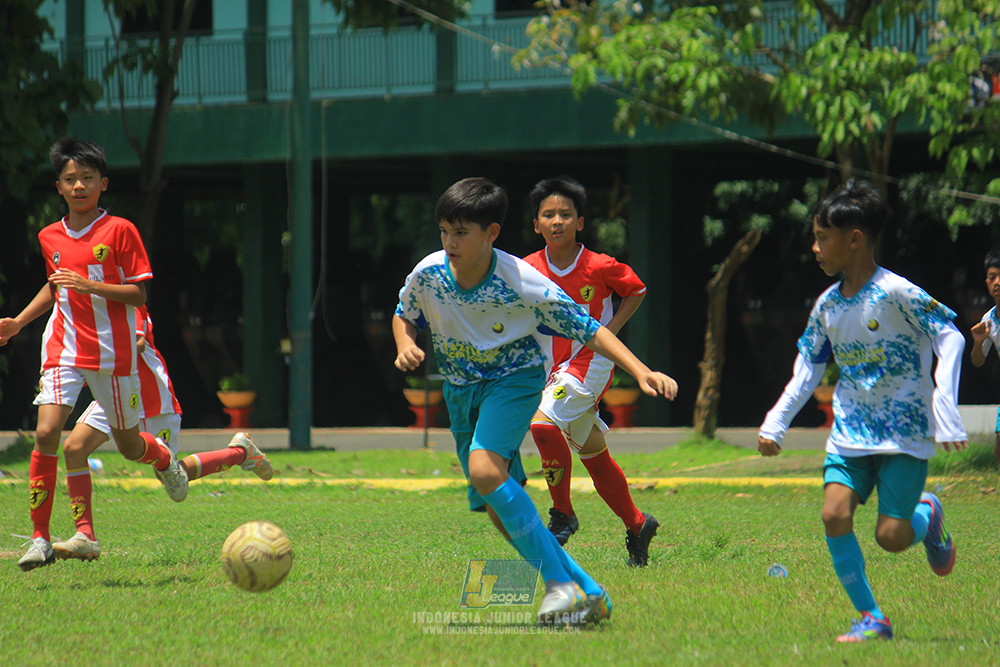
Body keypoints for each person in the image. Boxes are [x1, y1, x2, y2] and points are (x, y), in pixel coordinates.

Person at [393, 177, 678, 625]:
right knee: (496, 508)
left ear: (492, 233)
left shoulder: (522, 279)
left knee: (488, 471)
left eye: (462, 232)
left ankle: (559, 581)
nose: (450, 242)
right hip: (461, 390)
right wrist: (403, 344)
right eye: (445, 231)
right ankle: (587, 589)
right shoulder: (429, 273)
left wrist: (641, 370)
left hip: (514, 381)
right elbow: (404, 312)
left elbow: (590, 328)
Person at [757, 180, 967, 642]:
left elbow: (951, 336)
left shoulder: (897, 292)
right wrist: (777, 420)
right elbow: (807, 370)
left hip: (905, 434)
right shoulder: (827, 306)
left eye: (823, 238)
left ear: (855, 239)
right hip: (850, 433)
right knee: (834, 514)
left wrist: (944, 401)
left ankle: (926, 514)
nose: (815, 248)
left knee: (890, 538)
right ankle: (872, 617)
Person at [0, 137, 188, 571]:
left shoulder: (120, 231)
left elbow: (138, 293)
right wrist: (19, 322)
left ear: (103, 183)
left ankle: (162, 458)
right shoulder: (50, 235)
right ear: (59, 187)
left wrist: (91, 286)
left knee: (126, 445)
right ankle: (43, 538)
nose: (79, 185)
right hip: (64, 345)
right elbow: (54, 284)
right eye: (70, 179)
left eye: (87, 178)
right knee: (48, 432)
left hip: (113, 352)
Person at [52, 304, 273, 561]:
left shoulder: (123, 296)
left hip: (149, 395)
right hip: (111, 391)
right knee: (74, 448)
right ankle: (85, 536)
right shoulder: (80, 303)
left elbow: (138, 343)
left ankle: (239, 453)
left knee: (171, 479)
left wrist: (92, 354)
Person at [522, 176, 658, 566]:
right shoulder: (527, 269)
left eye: (566, 214)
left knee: (543, 426)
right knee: (594, 456)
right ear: (537, 225)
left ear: (580, 221)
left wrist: (608, 332)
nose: (557, 221)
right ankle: (637, 524)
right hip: (552, 370)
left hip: (590, 363)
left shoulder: (598, 265)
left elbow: (636, 289)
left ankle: (562, 514)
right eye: (548, 215)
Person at [969, 248, 1000, 462]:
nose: (997, 282)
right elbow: (977, 361)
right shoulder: (988, 320)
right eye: (992, 277)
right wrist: (978, 344)